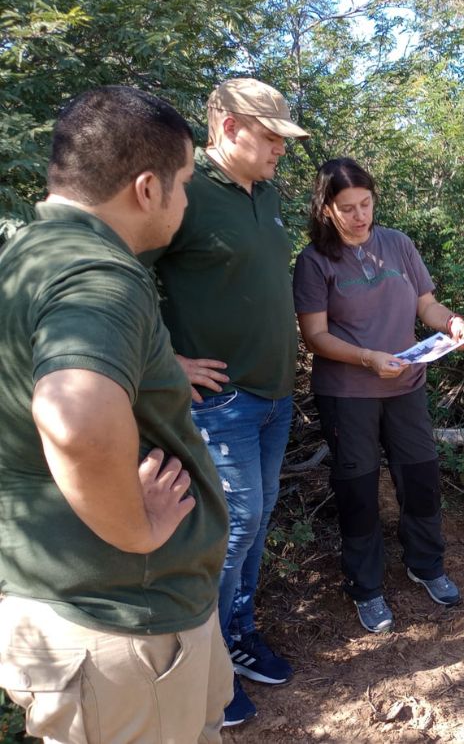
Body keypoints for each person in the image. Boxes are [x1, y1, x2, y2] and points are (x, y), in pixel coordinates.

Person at [0, 86, 231, 742]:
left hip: (70, 607)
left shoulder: (24, 256)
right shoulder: (99, 274)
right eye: (186, 183)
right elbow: (75, 418)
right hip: (125, 628)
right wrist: (136, 530)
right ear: (148, 188)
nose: (186, 201)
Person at [144, 78, 309, 726]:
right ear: (231, 127)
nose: (280, 152)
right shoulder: (186, 195)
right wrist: (165, 361)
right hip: (223, 403)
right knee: (230, 533)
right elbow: (127, 272)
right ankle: (205, 668)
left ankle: (237, 641)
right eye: (271, 138)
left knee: (258, 523)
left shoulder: (265, 195)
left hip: (274, 395)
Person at [293, 157, 464, 634]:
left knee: (419, 476)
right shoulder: (315, 261)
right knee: (358, 490)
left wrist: (451, 322)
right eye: (347, 208)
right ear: (327, 209)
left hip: (407, 384)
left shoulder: (397, 244)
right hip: (348, 392)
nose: (360, 216)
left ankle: (426, 565)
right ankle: (366, 587)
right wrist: (368, 357)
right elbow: (315, 336)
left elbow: (427, 305)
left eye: (366, 203)